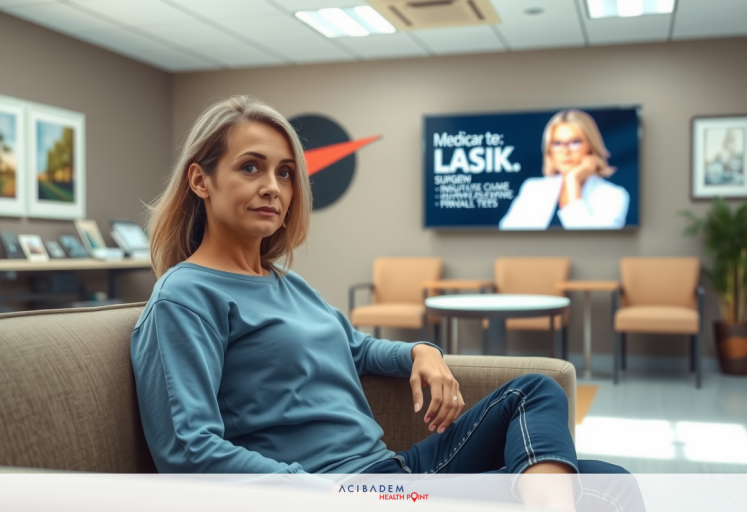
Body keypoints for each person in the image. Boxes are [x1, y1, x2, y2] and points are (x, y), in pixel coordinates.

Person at [131, 96, 641, 511]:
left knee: (559, 418)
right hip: (341, 491)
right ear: (200, 180)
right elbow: (187, 449)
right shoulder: (186, 296)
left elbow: (356, 348)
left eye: (285, 173)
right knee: (600, 493)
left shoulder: (287, 284)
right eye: (251, 168)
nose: (273, 188)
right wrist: (312, 492)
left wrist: (421, 351)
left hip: (392, 471)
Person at [498, 110, 630, 230]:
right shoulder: (532, 188)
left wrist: (572, 181)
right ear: (549, 149)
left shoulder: (614, 196)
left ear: (590, 145)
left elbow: (593, 243)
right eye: (557, 143)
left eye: (575, 142)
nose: (565, 151)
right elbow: (506, 236)